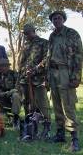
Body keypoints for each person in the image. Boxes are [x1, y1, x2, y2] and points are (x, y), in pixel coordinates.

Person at [47, 11, 83, 152]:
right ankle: (60, 134)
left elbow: (79, 56)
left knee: (68, 105)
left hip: (65, 72)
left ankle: (74, 139)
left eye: (59, 18)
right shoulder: (52, 36)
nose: (56, 20)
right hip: (53, 72)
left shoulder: (72, 34)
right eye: (54, 19)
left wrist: (76, 76)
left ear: (63, 19)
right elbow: (49, 56)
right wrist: (47, 76)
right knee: (56, 105)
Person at [18, 23, 51, 140]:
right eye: (24, 33)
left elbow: (47, 59)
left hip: (38, 80)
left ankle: (46, 130)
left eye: (28, 32)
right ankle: (31, 130)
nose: (26, 35)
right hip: (25, 80)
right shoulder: (25, 45)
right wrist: (22, 73)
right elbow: (21, 62)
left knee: (42, 105)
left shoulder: (44, 42)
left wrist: (35, 70)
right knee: (27, 105)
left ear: (33, 30)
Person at [0, 58, 21, 128]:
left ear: (8, 66)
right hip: (0, 97)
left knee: (16, 95)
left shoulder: (14, 74)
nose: (4, 68)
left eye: (6, 66)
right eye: (2, 66)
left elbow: (18, 88)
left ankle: (15, 118)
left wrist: (9, 93)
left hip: (11, 98)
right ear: (0, 67)